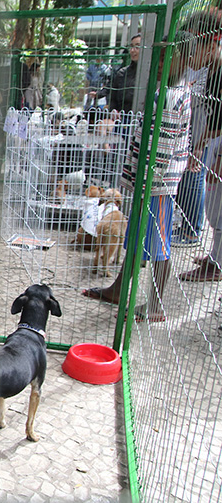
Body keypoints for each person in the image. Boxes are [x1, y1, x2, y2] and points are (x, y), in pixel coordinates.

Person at [82, 33, 194, 322]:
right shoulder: (164, 90)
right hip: (147, 183)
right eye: (157, 55)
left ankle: (156, 305)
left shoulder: (172, 95)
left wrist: (145, 180)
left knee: (158, 243)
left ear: (185, 59)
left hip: (157, 185)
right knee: (135, 237)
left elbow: (163, 148)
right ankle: (119, 288)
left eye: (168, 55)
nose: (159, 62)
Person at [174, 12, 222, 248]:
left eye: (194, 47)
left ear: (211, 44)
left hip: (215, 146)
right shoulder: (209, 72)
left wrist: (208, 149)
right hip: (208, 141)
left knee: (212, 195)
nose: (190, 55)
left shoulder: (218, 72)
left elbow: (217, 121)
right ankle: (215, 256)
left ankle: (198, 239)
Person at [106, 33, 141, 115]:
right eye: (131, 46)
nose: (132, 50)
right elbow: (113, 98)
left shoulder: (154, 74)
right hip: (123, 119)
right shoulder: (122, 73)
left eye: (137, 46)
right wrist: (114, 111)